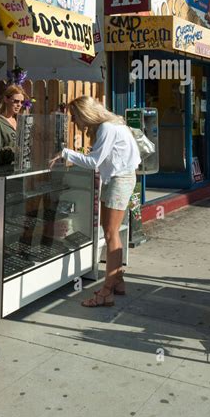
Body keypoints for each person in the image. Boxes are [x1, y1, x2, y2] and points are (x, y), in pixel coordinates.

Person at [49, 96, 141, 307]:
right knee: (111, 232)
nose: (74, 122)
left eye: (75, 117)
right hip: (120, 178)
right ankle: (117, 281)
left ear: (85, 114)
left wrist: (65, 152)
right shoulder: (113, 124)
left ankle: (106, 291)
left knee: (110, 233)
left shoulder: (107, 128)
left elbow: (93, 162)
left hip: (119, 180)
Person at [0, 84, 28, 165]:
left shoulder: (20, 121)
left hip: (21, 168)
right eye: (16, 101)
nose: (19, 105)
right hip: (4, 171)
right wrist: (11, 151)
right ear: (6, 99)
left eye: (21, 102)